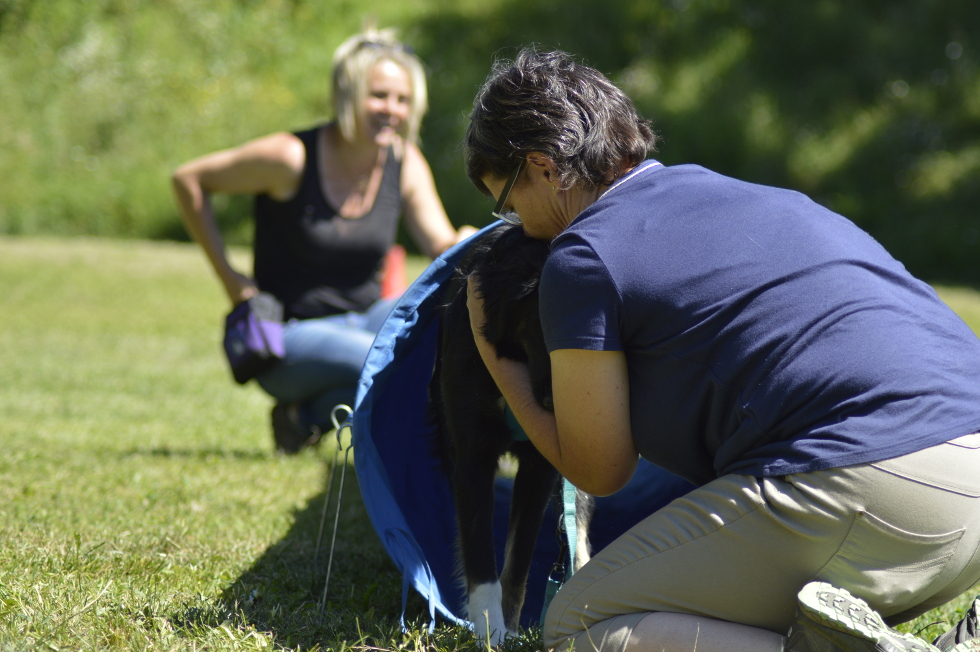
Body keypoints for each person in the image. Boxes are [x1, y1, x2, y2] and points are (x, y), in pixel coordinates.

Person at [462, 48, 980, 652]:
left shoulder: (585, 255)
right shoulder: (740, 192)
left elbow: (600, 469)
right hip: (968, 493)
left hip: (874, 488)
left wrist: (493, 349)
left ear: (544, 168)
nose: (518, 226)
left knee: (578, 622)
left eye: (505, 201)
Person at [172, 28, 476, 453]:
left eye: (402, 99)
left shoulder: (403, 161)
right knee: (388, 362)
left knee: (439, 328)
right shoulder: (290, 157)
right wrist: (230, 278)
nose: (392, 110)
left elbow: (440, 243)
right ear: (346, 95)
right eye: (379, 96)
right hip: (288, 337)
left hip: (367, 319)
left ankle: (305, 419)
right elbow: (189, 180)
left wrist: (471, 239)